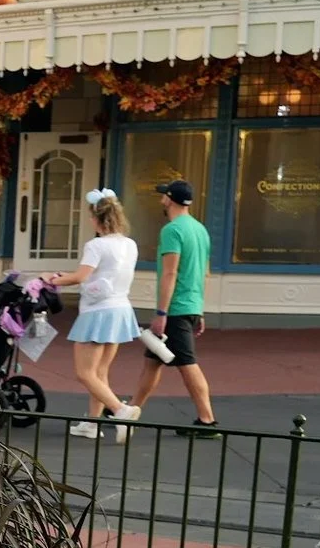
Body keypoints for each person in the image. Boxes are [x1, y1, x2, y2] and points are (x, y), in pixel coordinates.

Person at [45, 189, 141, 440]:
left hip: (97, 311)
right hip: (120, 308)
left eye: (91, 218)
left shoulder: (96, 245)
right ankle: (93, 423)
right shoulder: (130, 245)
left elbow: (80, 277)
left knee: (85, 373)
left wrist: (51, 278)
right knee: (100, 373)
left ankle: (120, 410)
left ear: (98, 219)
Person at [128, 178, 219, 437]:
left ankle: (207, 420)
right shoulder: (200, 230)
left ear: (169, 198)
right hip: (190, 305)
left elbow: (170, 272)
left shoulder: (172, 230)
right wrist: (199, 309)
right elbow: (204, 273)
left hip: (175, 309)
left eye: (163, 196)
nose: (160, 200)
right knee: (152, 363)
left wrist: (161, 313)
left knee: (187, 364)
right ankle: (130, 411)